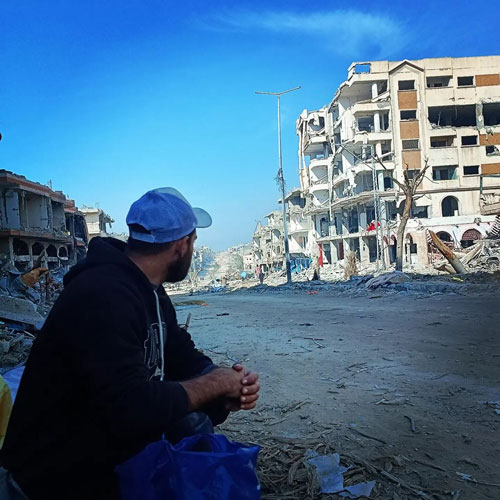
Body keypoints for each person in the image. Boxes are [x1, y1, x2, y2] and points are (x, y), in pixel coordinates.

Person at [0, 187, 260, 499]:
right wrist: (213, 385)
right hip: (53, 478)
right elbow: (130, 406)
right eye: (193, 241)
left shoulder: (150, 290)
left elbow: (180, 353)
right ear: (182, 245)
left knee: (193, 424)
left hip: (101, 458)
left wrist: (225, 383)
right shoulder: (100, 295)